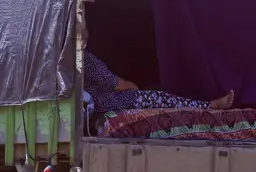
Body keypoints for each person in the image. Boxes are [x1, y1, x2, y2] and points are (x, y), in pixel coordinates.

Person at [84, 50, 234, 114]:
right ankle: (209, 106)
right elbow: (113, 83)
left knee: (155, 91)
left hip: (97, 103)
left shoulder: (71, 57)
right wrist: (132, 88)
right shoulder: (85, 58)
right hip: (106, 102)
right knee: (159, 98)